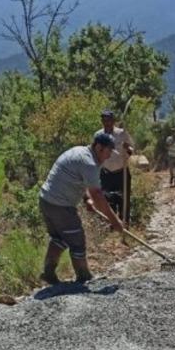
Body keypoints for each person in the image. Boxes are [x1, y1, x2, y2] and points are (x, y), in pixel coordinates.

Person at [38, 131, 125, 285]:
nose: (109, 155)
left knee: (61, 238)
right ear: (99, 147)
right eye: (108, 151)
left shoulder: (81, 153)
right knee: (77, 240)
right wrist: (115, 221)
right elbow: (98, 196)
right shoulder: (89, 163)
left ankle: (48, 273)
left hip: (46, 201)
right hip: (60, 205)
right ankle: (84, 276)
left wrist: (86, 199)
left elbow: (79, 181)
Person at [99, 109, 135, 221]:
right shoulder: (98, 135)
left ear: (113, 121)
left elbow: (132, 148)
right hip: (106, 173)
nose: (107, 122)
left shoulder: (122, 133)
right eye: (104, 120)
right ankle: (111, 225)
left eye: (109, 120)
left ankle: (124, 225)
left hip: (121, 172)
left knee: (124, 200)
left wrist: (127, 149)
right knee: (107, 200)